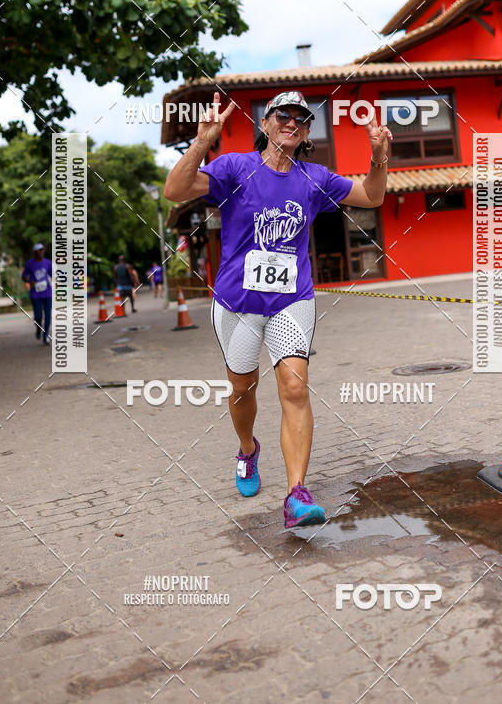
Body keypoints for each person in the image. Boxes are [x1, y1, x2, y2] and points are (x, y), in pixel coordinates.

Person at [164, 89, 392, 528]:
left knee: (295, 387)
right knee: (242, 390)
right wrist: (202, 141)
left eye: (301, 118)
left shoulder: (314, 177)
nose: (292, 122)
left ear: (306, 132)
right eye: (282, 115)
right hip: (237, 302)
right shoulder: (235, 167)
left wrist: (378, 157)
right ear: (265, 124)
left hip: (292, 300)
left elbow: (372, 195)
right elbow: (175, 190)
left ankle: (296, 495)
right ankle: (248, 449)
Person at [22, 243, 52, 345]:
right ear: (35, 253)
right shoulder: (29, 264)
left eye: (43, 250)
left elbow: (53, 274)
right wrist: (30, 282)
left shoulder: (48, 262)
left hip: (47, 293)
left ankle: (45, 336)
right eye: (39, 250)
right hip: (35, 294)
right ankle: (39, 329)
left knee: (48, 315)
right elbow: (24, 276)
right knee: (38, 316)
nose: (41, 252)